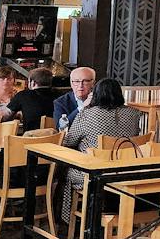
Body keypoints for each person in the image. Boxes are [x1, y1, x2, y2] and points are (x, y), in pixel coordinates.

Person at [60, 77, 142, 224]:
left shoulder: (87, 114)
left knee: (63, 171)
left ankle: (67, 220)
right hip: (123, 171)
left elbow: (69, 142)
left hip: (93, 172)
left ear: (95, 94)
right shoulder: (134, 114)